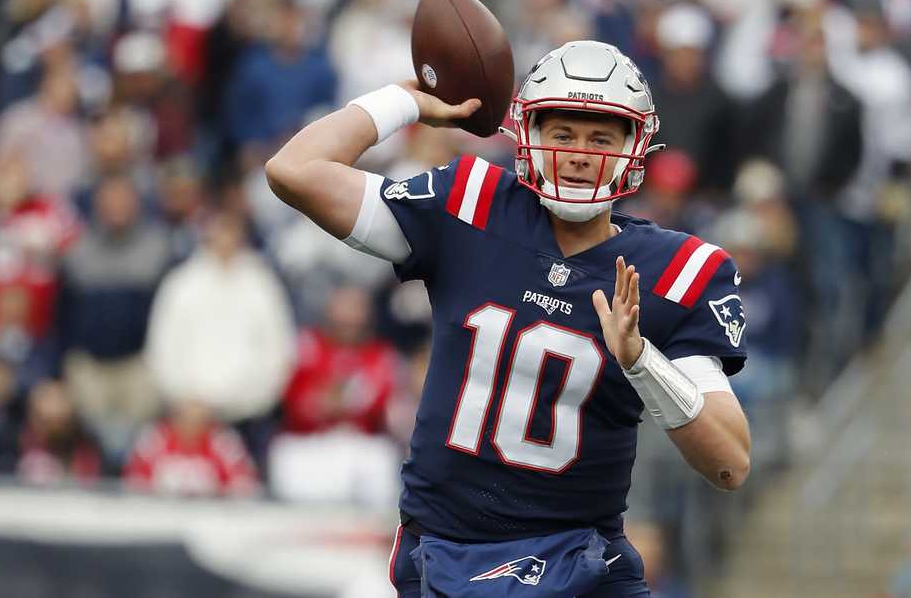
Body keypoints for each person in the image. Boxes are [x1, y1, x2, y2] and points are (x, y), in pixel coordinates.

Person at [266, 40, 752, 597]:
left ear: (635, 146)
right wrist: (402, 102)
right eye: (563, 134)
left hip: (582, 561)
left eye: (601, 137)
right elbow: (294, 170)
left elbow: (730, 464)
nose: (578, 154)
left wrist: (642, 363)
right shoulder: (470, 204)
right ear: (528, 135)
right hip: (453, 551)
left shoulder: (675, 271)